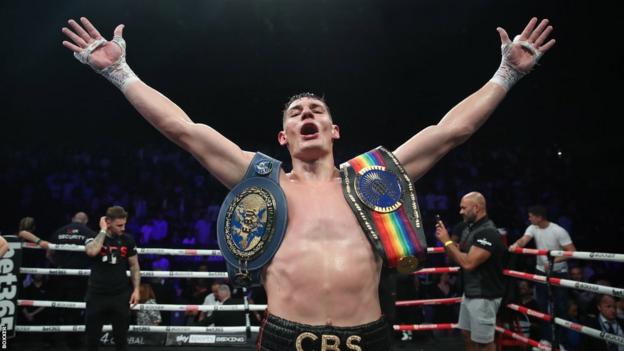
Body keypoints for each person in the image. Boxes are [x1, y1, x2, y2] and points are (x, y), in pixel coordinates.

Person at [62, 16, 555, 350]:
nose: (307, 116)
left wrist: (507, 73)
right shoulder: (261, 179)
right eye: (297, 113)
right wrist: (120, 73)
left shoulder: (372, 179)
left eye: (316, 110)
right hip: (283, 336)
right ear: (284, 135)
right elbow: (184, 130)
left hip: (369, 336)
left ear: (334, 129)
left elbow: (450, 132)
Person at [435, 192, 506, 351]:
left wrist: (447, 240)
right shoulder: (469, 229)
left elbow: (468, 263)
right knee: (467, 335)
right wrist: (447, 242)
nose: (460, 211)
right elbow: (456, 257)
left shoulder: (487, 232)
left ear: (477, 207)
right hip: (470, 292)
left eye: (463, 208)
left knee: (484, 343)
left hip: (484, 295)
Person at [509, 204, 576, 341]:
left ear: (539, 218)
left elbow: (572, 252)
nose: (529, 218)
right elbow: (524, 240)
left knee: (561, 308)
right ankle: (546, 340)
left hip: (559, 272)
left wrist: (553, 261)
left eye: (531, 216)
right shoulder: (533, 228)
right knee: (542, 306)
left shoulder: (558, 231)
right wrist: (515, 245)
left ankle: (561, 343)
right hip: (540, 271)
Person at [84, 206, 140, 351]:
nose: (123, 228)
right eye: (119, 225)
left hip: (120, 295)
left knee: (121, 340)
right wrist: (103, 230)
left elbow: (134, 266)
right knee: (92, 340)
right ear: (108, 222)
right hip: (97, 295)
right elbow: (92, 251)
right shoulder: (92, 237)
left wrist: (137, 290)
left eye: (124, 224)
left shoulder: (128, 240)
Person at [47, 211, 96, 349]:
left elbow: (49, 254)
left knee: (54, 306)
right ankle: (73, 341)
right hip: (79, 277)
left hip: (59, 275)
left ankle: (49, 339)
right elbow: (94, 253)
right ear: (86, 221)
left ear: (72, 218)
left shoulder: (59, 231)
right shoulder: (89, 232)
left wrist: (58, 265)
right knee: (75, 310)